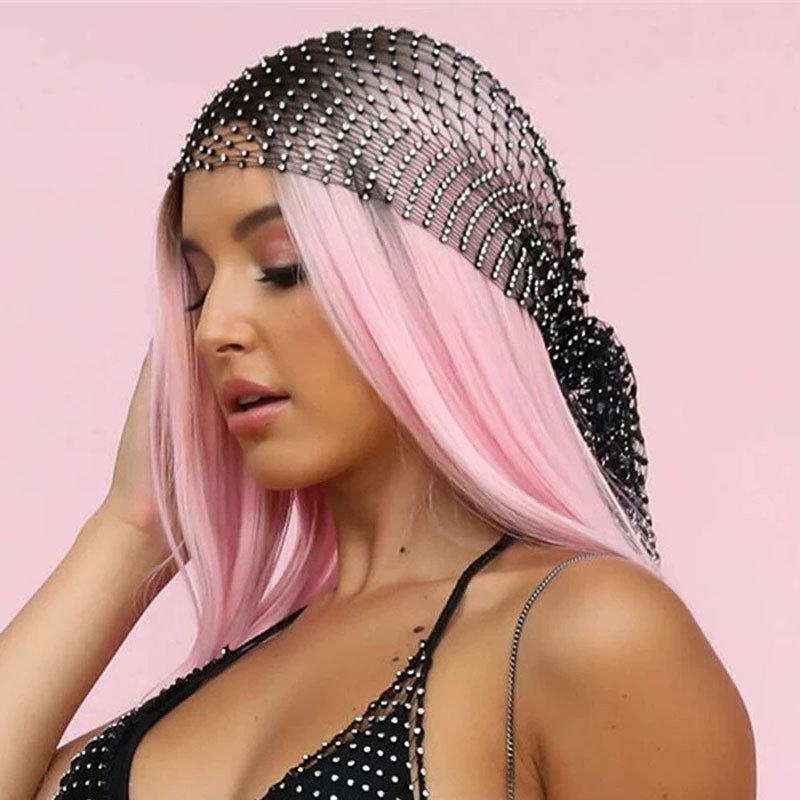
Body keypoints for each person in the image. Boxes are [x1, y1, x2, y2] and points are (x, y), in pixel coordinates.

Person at [2, 23, 755, 800]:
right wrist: (129, 531)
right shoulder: (205, 692)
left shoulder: (590, 635)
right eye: (197, 286)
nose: (212, 328)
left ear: (432, 291)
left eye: (281, 267)